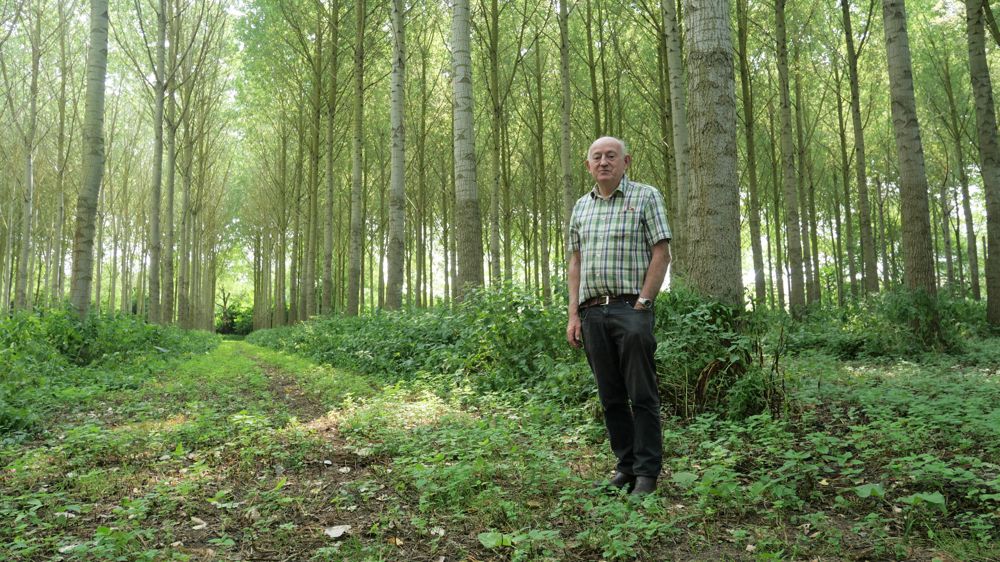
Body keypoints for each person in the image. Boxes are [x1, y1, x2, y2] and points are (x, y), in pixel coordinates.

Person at [566, 136, 671, 497]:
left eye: (612, 156)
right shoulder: (581, 207)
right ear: (588, 165)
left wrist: (643, 303)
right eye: (597, 157)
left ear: (627, 161)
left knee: (642, 394)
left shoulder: (646, 196)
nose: (604, 162)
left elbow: (662, 253)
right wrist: (573, 314)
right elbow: (575, 262)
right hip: (592, 312)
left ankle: (647, 473)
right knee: (610, 396)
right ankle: (625, 467)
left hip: (631, 310)